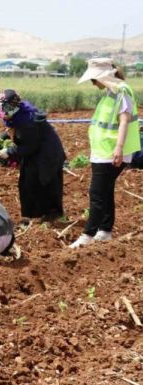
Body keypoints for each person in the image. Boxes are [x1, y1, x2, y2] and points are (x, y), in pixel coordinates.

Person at [69, 58, 141, 248]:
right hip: (103, 150)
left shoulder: (121, 91)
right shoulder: (111, 92)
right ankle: (105, 231)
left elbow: (124, 120)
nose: (93, 83)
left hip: (111, 151)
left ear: (103, 76)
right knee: (105, 190)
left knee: (97, 192)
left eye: (94, 79)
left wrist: (118, 147)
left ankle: (88, 235)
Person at [0, 89, 66, 221]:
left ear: (12, 108)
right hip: (36, 152)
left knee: (45, 182)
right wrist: (1, 137)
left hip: (47, 154)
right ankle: (33, 215)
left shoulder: (29, 121)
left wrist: (9, 151)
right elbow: (14, 130)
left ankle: (51, 214)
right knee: (27, 181)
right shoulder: (17, 115)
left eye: (4, 113)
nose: (3, 116)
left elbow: (30, 146)